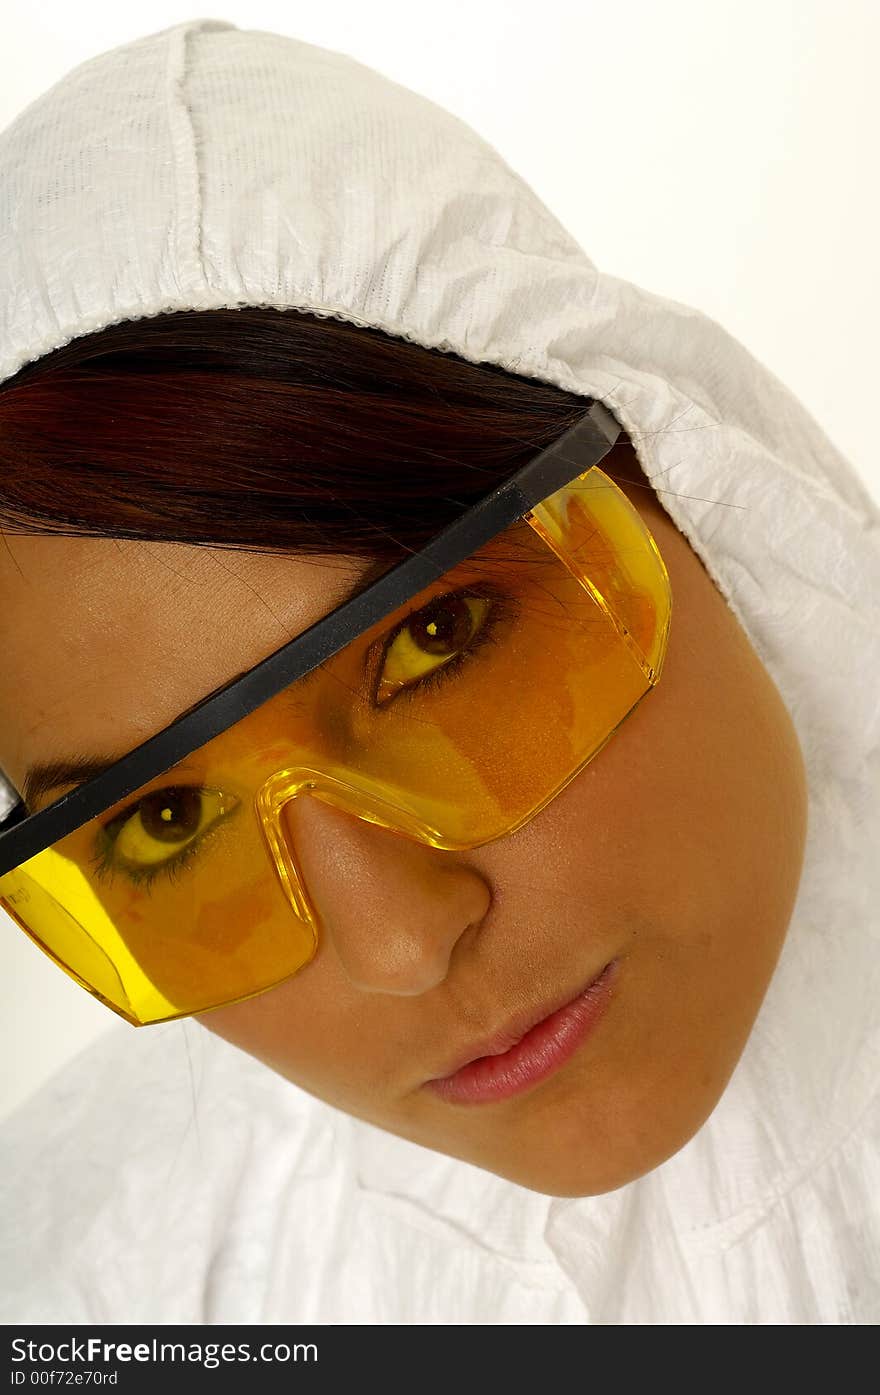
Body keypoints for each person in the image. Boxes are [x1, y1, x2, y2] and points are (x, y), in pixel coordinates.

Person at [0, 19, 877, 1325]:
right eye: (164, 822)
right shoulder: (96, 1289)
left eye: (434, 643)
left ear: (682, 477)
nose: (402, 943)